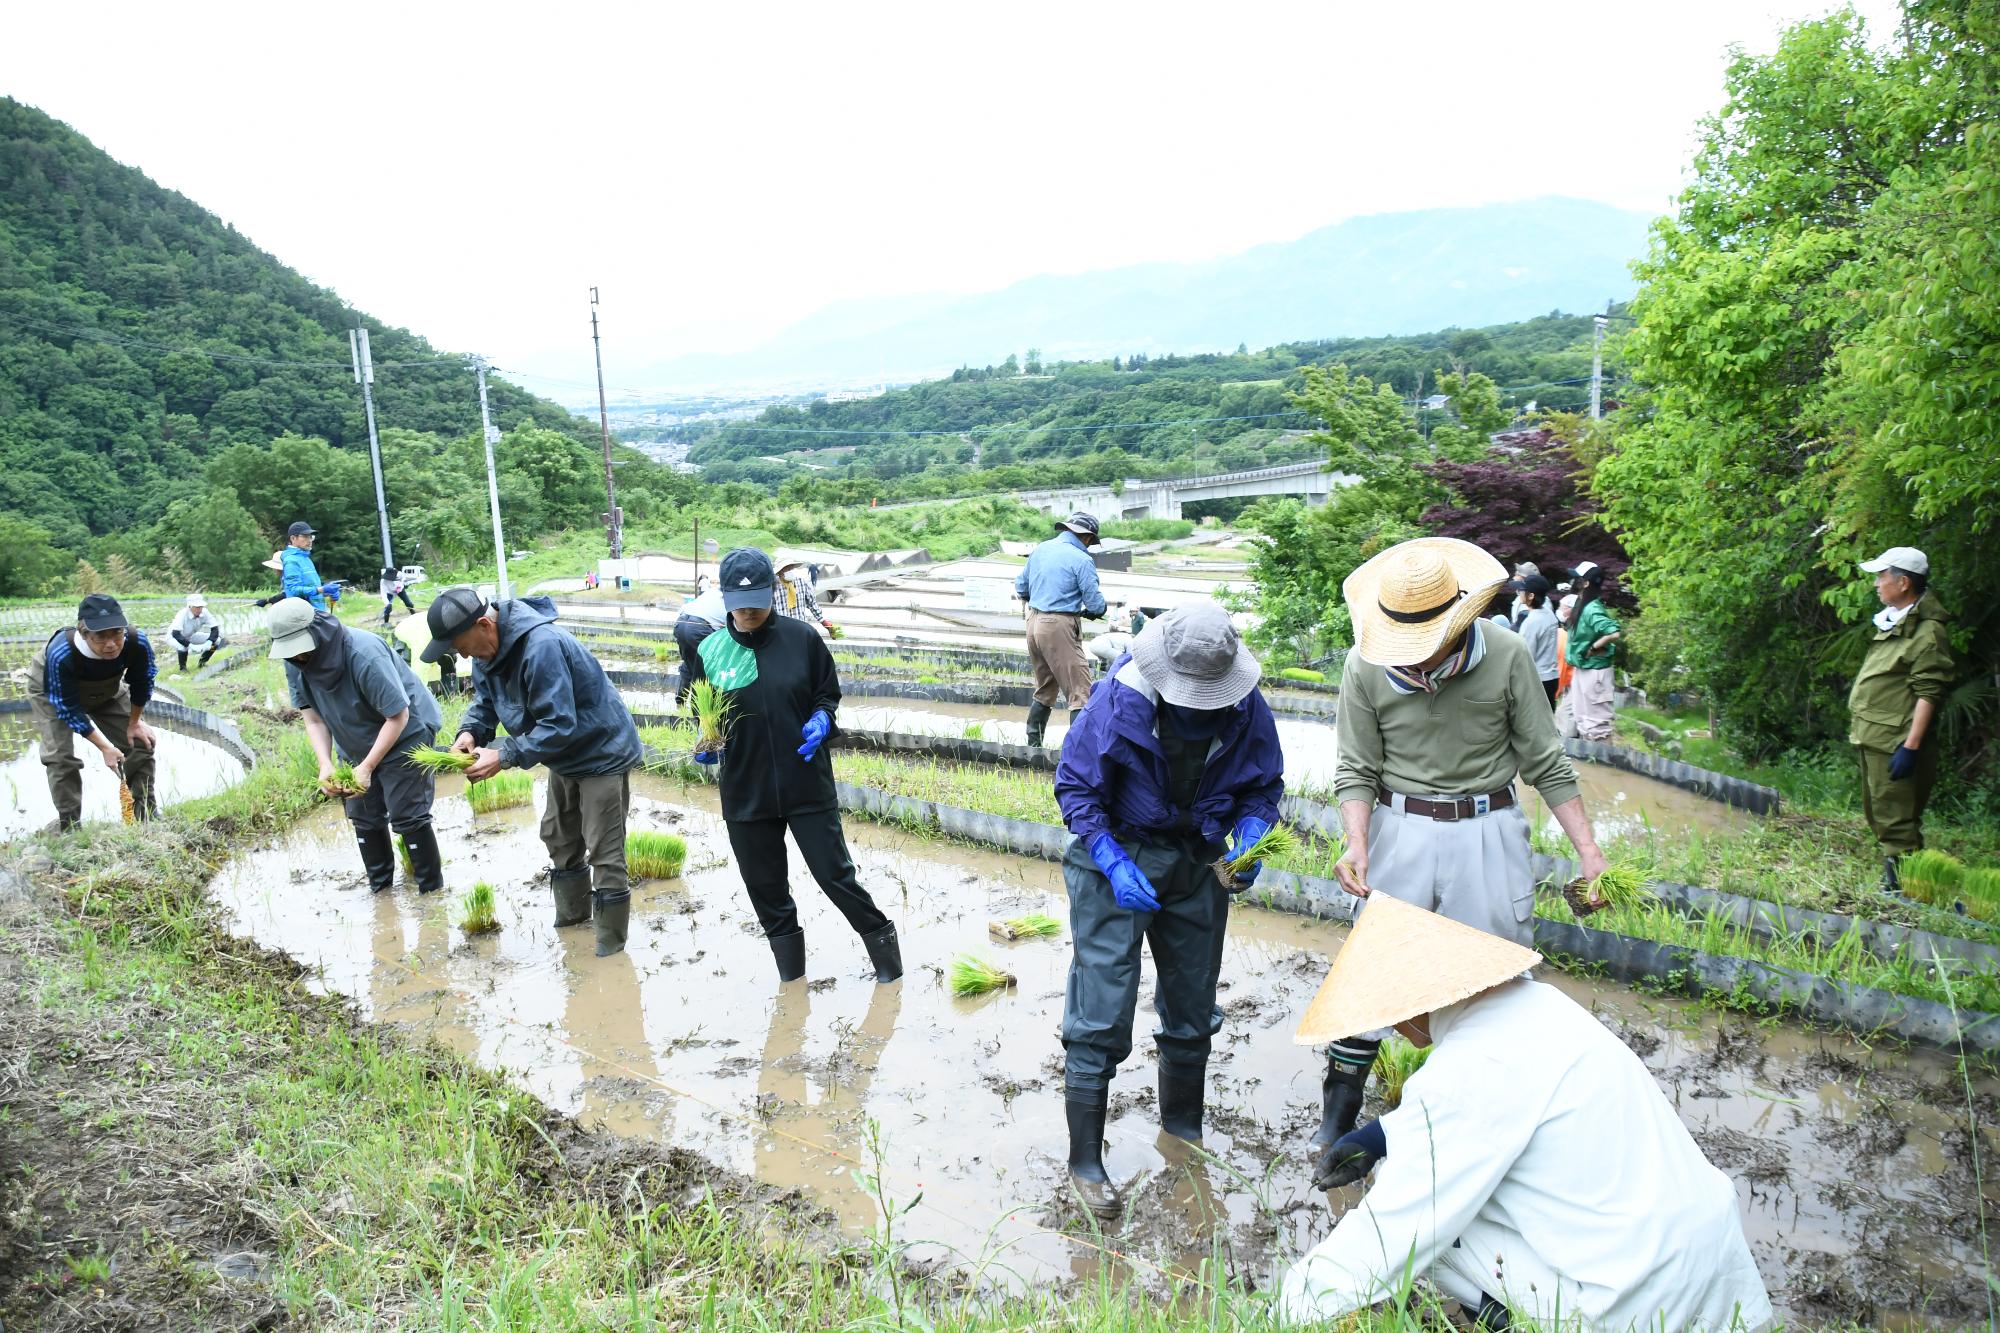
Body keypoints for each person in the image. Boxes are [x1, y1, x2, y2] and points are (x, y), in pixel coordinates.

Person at [1279, 894, 1772, 1330]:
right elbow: (1500, 1108)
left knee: (1437, 1228)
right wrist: (1379, 1136)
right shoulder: (1540, 1006)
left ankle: (1517, 1323)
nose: (1397, 1032)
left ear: (1410, 1007)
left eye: (1387, 1021)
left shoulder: (1468, 1069)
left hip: (1631, 1299)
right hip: (1706, 1265)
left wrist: (1287, 1309)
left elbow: (1396, 1229)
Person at [1311, 538, 1609, 1166]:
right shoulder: (1364, 665)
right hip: (1401, 828)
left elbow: (1545, 759)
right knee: (1374, 973)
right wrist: (1357, 843)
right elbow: (1357, 766)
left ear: (1461, 619)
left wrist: (1589, 852)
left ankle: (1494, 1117)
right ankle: (1336, 1124)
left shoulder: (1503, 654)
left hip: (1487, 827)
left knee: (1497, 972)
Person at [1053, 600, 1283, 1220]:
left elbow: (1263, 784)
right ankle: (1085, 1161)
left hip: (1198, 860)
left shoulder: (1245, 707)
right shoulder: (1118, 698)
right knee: (1102, 1000)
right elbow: (1076, 787)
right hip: (1120, 853)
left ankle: (1183, 1133)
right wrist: (1109, 855)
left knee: (1192, 998)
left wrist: (1253, 832)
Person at [696, 548, 901, 985]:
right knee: (767, 891)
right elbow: (694, 703)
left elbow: (827, 694)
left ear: (773, 592)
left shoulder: (802, 638)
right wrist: (706, 737)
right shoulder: (710, 650)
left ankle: (889, 967)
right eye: (738, 601)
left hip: (805, 782)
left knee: (836, 876)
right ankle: (793, 985)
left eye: (756, 599)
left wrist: (823, 718)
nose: (748, 610)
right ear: (724, 597)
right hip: (745, 789)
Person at [426, 587, 643, 955]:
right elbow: (486, 702)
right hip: (563, 753)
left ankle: (609, 951)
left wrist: (504, 755)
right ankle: (573, 923)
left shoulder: (541, 646)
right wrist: (470, 732)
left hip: (599, 749)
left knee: (604, 850)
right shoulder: (485, 653)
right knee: (559, 836)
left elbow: (559, 724)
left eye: (459, 645)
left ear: (483, 624)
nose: (460, 654)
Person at [270, 598, 445, 896]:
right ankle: (382, 892)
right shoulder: (295, 662)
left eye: (301, 647)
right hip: (353, 736)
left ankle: (431, 895)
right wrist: (325, 763)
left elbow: (397, 715)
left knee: (407, 814)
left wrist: (367, 766)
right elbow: (313, 719)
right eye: (291, 651)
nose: (298, 656)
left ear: (318, 632)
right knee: (363, 811)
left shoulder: (362, 653)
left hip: (405, 731)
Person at [1847, 546, 1955, 894]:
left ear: (1903, 582)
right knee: (1880, 811)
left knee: (1897, 819)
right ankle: (1899, 883)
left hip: (1896, 740)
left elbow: (1929, 692)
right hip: (1874, 735)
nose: (1877, 584)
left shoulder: (1927, 633)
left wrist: (1911, 747)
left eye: (1882, 576)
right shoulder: (1897, 621)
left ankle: (1904, 890)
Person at [28, 594, 158, 830]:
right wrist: (105, 747)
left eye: (116, 633)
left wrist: (135, 722)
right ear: (84, 633)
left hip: (106, 688)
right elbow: (67, 708)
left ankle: (145, 815)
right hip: (52, 692)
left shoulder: (137, 642)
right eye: (101, 636)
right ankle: (70, 825)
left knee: (140, 741)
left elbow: (143, 680)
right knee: (60, 757)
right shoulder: (62, 652)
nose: (111, 644)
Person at [1014, 511, 1107, 746]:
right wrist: (1097, 610)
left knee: (1046, 687)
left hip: (1033, 622)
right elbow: (1094, 603)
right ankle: (1080, 753)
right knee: (1080, 693)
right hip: (1058, 626)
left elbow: (1021, 586)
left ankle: (1033, 747)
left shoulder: (1041, 549)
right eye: (1090, 540)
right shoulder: (1081, 559)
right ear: (1086, 537)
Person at [1565, 561, 1622, 742]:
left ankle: (1605, 767)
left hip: (1595, 672)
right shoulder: (1582, 605)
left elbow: (1614, 632)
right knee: (1583, 722)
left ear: (1586, 583)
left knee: (1596, 728)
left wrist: (1594, 647)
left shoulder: (1592, 608)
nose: (1573, 581)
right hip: (1584, 669)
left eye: (1577, 578)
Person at [674, 580, 728, 707]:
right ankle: (702, 706)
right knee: (708, 668)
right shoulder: (731, 600)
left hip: (681, 623)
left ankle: (680, 702)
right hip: (700, 628)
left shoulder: (712, 592)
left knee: (689, 664)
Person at [1509, 575, 1560, 707]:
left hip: (1538, 680)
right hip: (1552, 676)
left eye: (1522, 590)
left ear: (1530, 596)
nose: (1519, 593)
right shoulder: (1549, 615)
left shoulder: (1531, 622)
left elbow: (1526, 656)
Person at [279, 521, 339, 611]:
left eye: (311, 537)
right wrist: (322, 589)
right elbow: (293, 590)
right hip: (302, 615)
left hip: (316, 612)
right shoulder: (291, 560)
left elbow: (311, 589)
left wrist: (327, 592)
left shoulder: (306, 559)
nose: (309, 540)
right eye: (305, 537)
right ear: (293, 538)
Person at [774, 559, 834, 635]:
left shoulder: (801, 582)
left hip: (800, 627)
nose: (789, 570)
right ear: (779, 571)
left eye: (791, 567)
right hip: (781, 630)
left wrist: (823, 621)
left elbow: (812, 603)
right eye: (786, 568)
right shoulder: (773, 586)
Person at [167, 592, 225, 671]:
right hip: (174, 637)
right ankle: (183, 668)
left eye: (201, 607)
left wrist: (209, 642)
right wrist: (191, 646)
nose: (199, 609)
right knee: (182, 647)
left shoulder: (205, 612)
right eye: (196, 607)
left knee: (217, 640)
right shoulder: (182, 614)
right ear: (190, 606)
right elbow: (176, 634)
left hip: (191, 635)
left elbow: (215, 628)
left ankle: (202, 662)